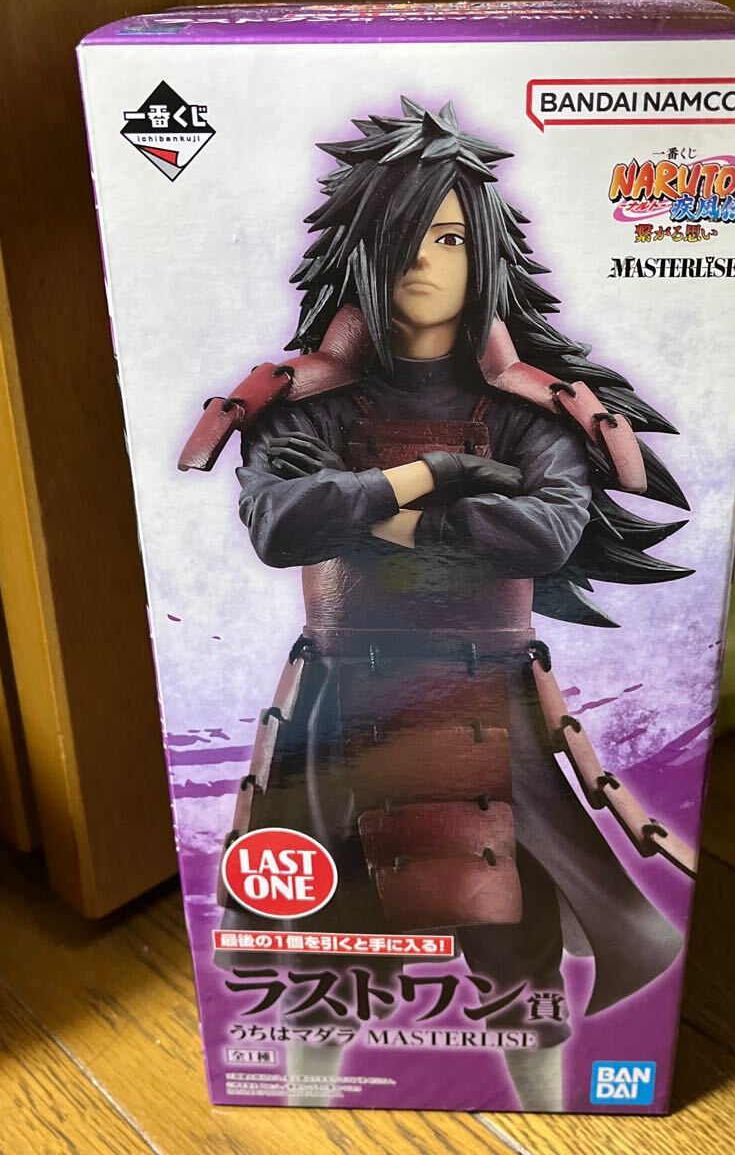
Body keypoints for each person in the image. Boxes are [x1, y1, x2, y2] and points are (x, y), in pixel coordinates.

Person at [180, 99, 695, 1108]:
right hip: (339, 707)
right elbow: (281, 523)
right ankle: (300, 1112)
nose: (424, 260)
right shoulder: (304, 403)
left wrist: (381, 515)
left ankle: (551, 1110)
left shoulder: (534, 412)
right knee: (325, 955)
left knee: (518, 952)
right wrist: (438, 476)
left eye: (450, 237)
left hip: (492, 705)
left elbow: (546, 533)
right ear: (363, 248)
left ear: (484, 254)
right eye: (403, 235)